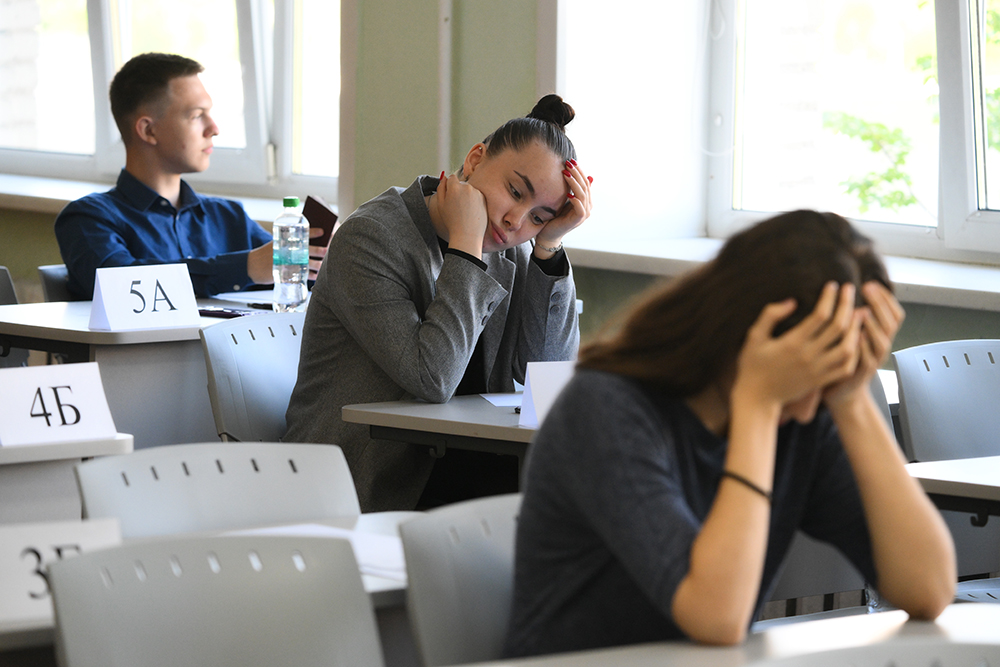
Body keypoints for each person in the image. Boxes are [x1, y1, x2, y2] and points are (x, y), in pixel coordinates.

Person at [504, 210, 956, 656]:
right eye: (810, 368)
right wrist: (757, 404)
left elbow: (929, 588)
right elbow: (717, 617)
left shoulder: (805, 417)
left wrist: (852, 398)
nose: (813, 401)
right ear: (747, 335)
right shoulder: (605, 409)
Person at [284, 94, 592, 511]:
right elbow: (432, 379)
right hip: (371, 479)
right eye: (514, 191)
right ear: (475, 158)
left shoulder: (512, 249)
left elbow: (546, 371)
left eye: (538, 217)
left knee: (583, 495)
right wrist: (466, 248)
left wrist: (550, 246)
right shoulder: (371, 238)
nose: (515, 221)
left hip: (467, 464)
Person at [54, 52, 325, 300]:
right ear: (148, 131)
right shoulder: (88, 218)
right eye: (197, 116)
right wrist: (247, 267)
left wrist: (324, 255)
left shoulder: (228, 216)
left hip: (232, 354)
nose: (214, 128)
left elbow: (301, 280)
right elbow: (120, 286)